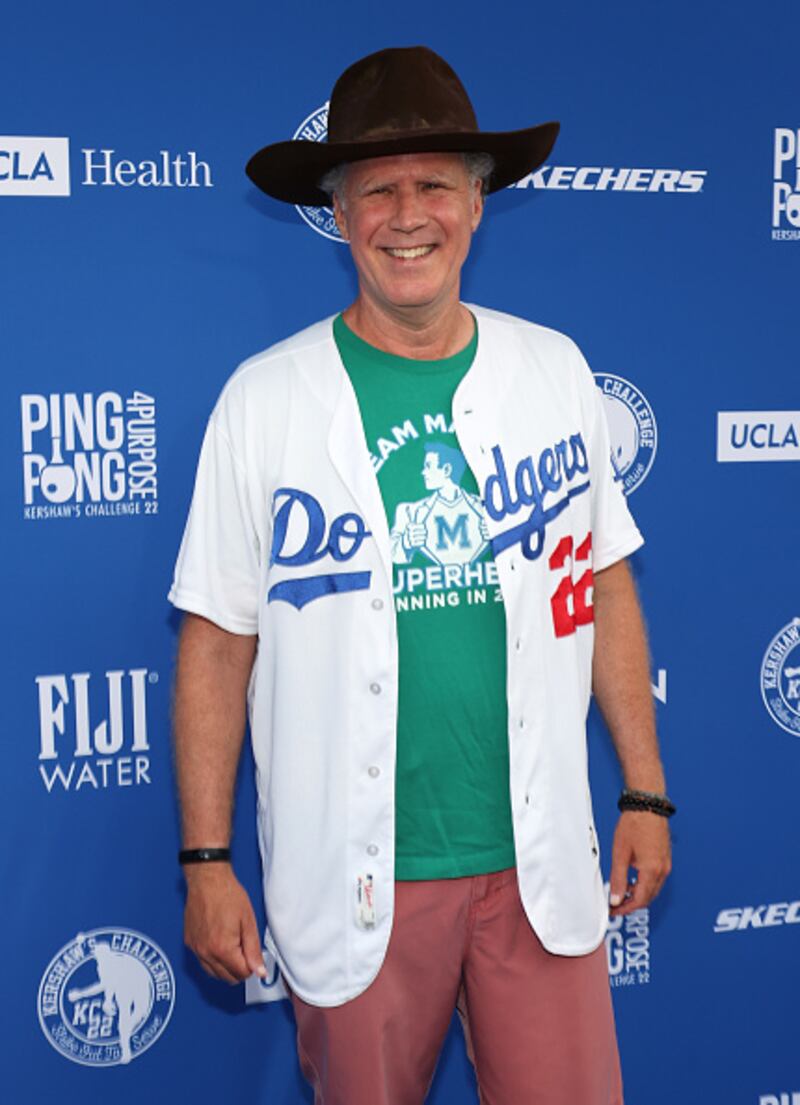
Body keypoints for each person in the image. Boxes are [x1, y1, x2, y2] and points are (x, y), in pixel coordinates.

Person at [169, 45, 674, 1105]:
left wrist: (643, 787)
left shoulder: (554, 370)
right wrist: (205, 862)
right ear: (338, 211)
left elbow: (603, 581)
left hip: (536, 862)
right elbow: (216, 641)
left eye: (435, 185)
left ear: (478, 204)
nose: (408, 216)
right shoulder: (263, 400)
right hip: (356, 876)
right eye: (378, 190)